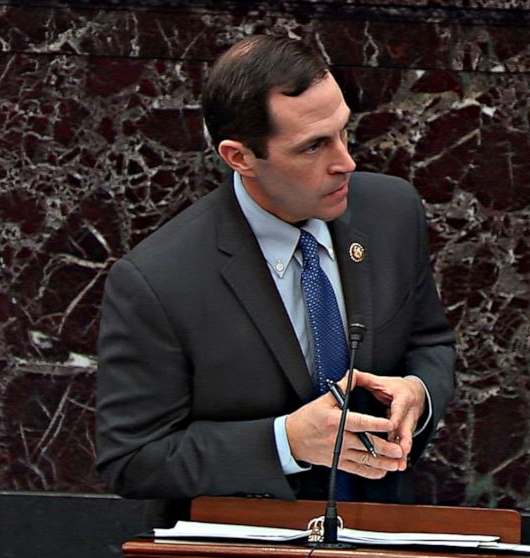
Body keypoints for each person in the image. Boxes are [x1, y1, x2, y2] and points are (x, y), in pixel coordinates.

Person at [95, 34, 456, 526]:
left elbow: (429, 341)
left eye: (343, 131)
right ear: (240, 157)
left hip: (383, 527)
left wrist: (419, 393)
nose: (345, 161)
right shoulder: (158, 281)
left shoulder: (392, 213)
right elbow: (133, 459)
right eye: (313, 147)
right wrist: (285, 441)